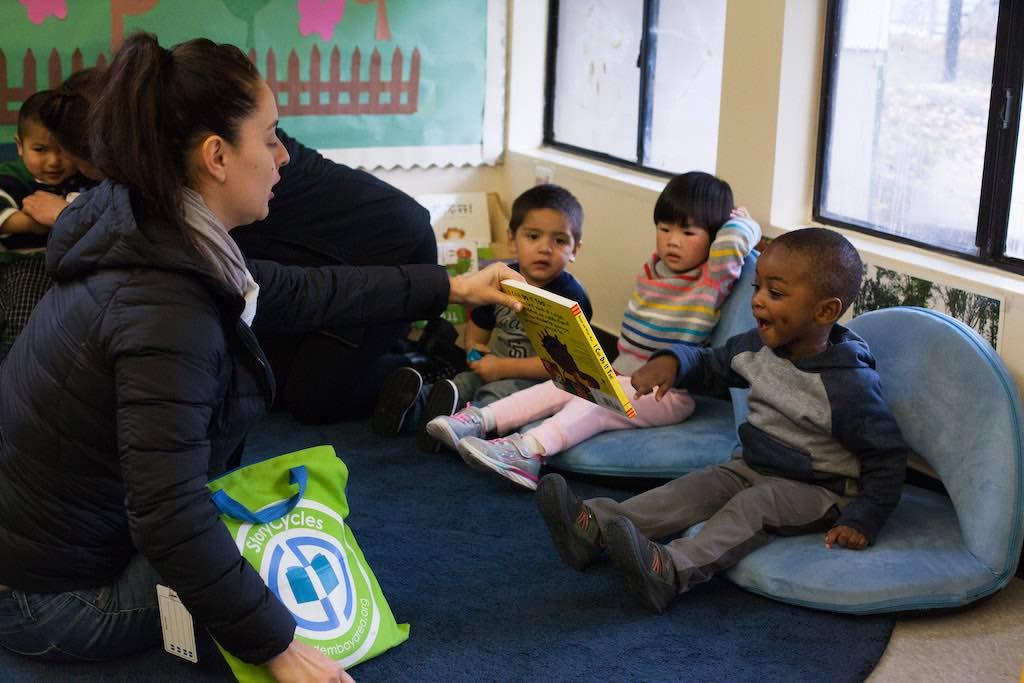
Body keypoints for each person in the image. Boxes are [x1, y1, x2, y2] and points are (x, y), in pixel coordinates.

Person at [0, 32, 523, 679]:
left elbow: (295, 288)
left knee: (277, 537)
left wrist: (451, 284)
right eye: (270, 135)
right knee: (298, 580)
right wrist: (276, 645)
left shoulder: (150, 221)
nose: (281, 156)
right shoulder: (167, 308)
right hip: (52, 600)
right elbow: (167, 514)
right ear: (217, 155)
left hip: (42, 543)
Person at [26, 66, 441, 426]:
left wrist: (66, 212)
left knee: (312, 398)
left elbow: (290, 286)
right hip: (319, 265)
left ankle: (431, 365)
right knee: (265, 377)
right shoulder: (183, 169)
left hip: (386, 256)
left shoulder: (243, 168)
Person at [534, 228, 910, 613]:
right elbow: (711, 363)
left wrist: (863, 520)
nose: (758, 302)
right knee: (695, 487)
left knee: (754, 507)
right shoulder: (757, 346)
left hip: (819, 490)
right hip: (753, 465)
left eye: (775, 294)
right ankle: (593, 527)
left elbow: (887, 457)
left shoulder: (848, 386)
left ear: (825, 311)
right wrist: (674, 362)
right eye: (757, 288)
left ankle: (672, 571)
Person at [425, 172, 761, 490]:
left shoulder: (711, 279)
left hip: (666, 393)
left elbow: (732, 245)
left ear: (714, 238)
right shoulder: (655, 267)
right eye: (665, 228)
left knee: (595, 405)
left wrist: (739, 221)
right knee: (557, 387)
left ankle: (529, 452)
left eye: (688, 234)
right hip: (620, 374)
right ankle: (479, 420)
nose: (673, 242)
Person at [371, 183, 592, 453]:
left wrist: (502, 368)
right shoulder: (500, 278)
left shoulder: (570, 296)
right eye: (533, 236)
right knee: (461, 383)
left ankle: (457, 430)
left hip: (535, 383)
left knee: (492, 397)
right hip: (493, 366)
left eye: (559, 241)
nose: (545, 248)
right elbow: (479, 325)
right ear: (513, 240)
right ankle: (414, 408)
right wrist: (475, 350)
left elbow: (566, 365)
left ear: (575, 249)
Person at [0, 89, 91, 359]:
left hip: (72, 267)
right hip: (24, 265)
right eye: (40, 150)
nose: (53, 162)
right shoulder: (12, 178)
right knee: (25, 323)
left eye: (63, 151)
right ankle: (15, 367)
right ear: (20, 146)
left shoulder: (84, 181)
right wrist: (32, 225)